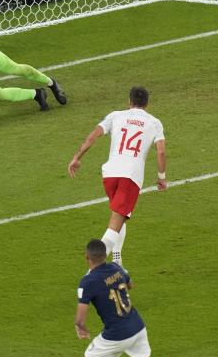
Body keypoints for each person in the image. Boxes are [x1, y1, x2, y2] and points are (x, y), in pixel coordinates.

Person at [68, 86, 166, 268]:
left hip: (110, 174)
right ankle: (93, 271)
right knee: (115, 222)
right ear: (147, 104)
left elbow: (92, 137)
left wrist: (77, 157)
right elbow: (160, 152)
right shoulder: (154, 122)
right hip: (130, 177)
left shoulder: (115, 115)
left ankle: (117, 258)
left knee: (118, 214)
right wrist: (161, 177)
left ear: (129, 102)